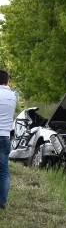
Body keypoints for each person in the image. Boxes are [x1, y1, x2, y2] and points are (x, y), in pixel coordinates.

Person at [0, 69, 17, 211]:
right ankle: (2, 202)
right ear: (7, 81)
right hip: (5, 136)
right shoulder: (13, 96)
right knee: (4, 171)